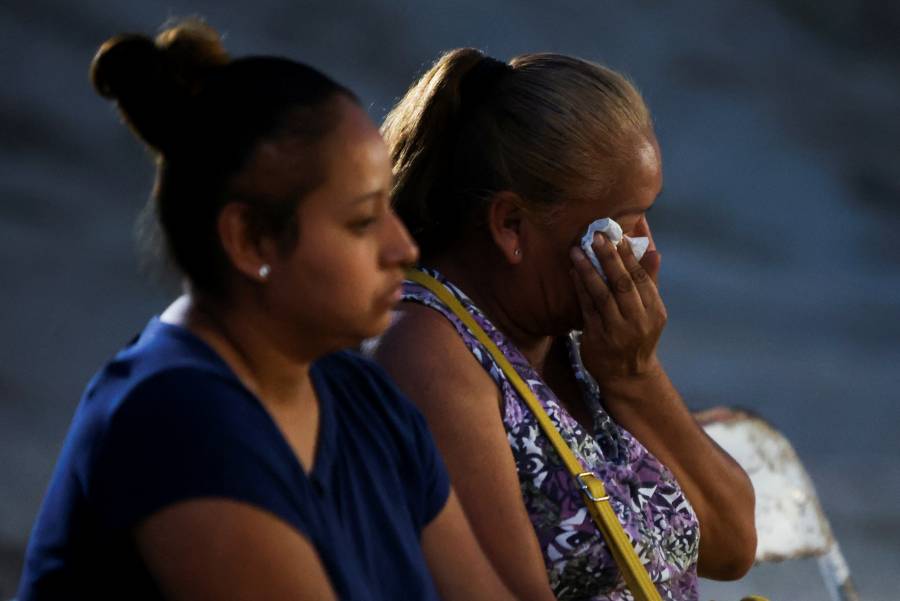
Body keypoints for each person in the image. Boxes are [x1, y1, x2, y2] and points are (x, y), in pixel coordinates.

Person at [17, 25, 515, 601]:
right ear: (250, 241)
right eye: (361, 222)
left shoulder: (366, 402)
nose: (402, 248)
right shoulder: (176, 422)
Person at [373, 48, 757, 601]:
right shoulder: (430, 351)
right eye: (623, 225)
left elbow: (733, 546)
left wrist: (634, 378)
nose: (647, 252)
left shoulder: (580, 342)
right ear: (511, 225)